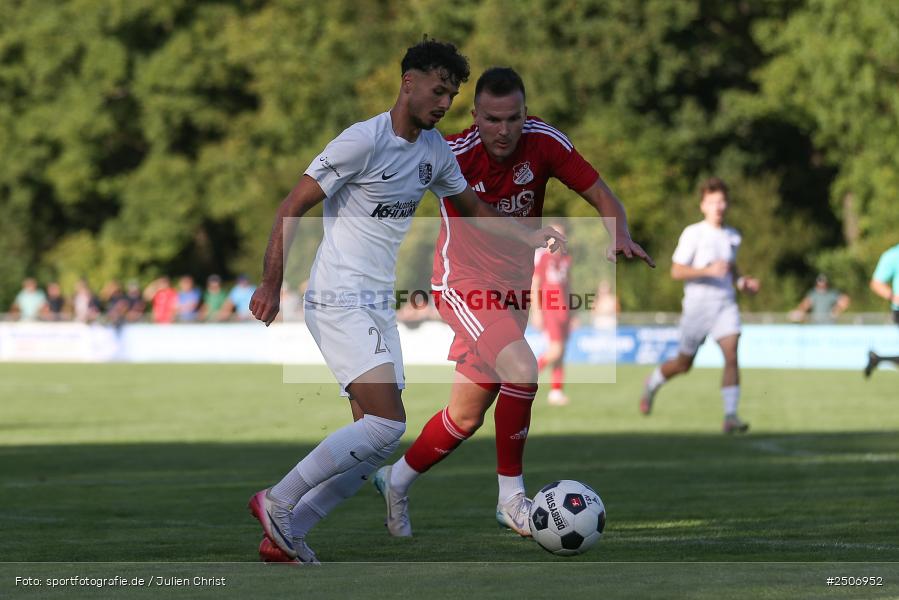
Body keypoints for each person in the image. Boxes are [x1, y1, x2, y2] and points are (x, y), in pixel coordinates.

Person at [245, 42, 564, 565]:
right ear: (408, 83)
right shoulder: (362, 141)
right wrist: (270, 282)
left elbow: (474, 208)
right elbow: (292, 205)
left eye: (451, 94)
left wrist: (528, 234)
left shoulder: (434, 151)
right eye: (437, 90)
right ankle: (277, 501)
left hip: (376, 304)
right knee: (388, 424)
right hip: (339, 297)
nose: (444, 103)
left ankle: (287, 534)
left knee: (372, 444)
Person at [371, 67, 654, 539]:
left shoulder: (544, 142)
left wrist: (619, 230)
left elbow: (601, 193)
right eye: (492, 119)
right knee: (523, 369)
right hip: (463, 283)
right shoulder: (452, 153)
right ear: (475, 116)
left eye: (513, 118)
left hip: (513, 292)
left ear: (526, 113)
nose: (503, 130)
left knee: (465, 416)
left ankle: (395, 480)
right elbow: (403, 190)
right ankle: (511, 500)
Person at [639, 177, 759, 433]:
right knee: (683, 364)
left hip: (725, 304)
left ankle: (730, 415)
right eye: (712, 202)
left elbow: (731, 269)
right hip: (697, 308)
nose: (718, 206)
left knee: (731, 354)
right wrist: (707, 271)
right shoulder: (693, 233)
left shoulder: (732, 235)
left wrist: (742, 283)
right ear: (703, 205)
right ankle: (652, 383)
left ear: (727, 204)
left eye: (722, 201)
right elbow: (676, 271)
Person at [531, 221, 573, 406]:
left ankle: (556, 393)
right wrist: (537, 312)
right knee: (555, 350)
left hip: (564, 311)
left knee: (561, 352)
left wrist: (573, 312)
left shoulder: (566, 258)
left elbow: (569, 286)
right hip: (550, 309)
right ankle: (523, 378)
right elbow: (535, 285)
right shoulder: (542, 258)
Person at [864, 243, 899, 377]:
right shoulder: (893, 255)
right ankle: (877, 359)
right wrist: (893, 297)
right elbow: (876, 283)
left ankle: (877, 359)